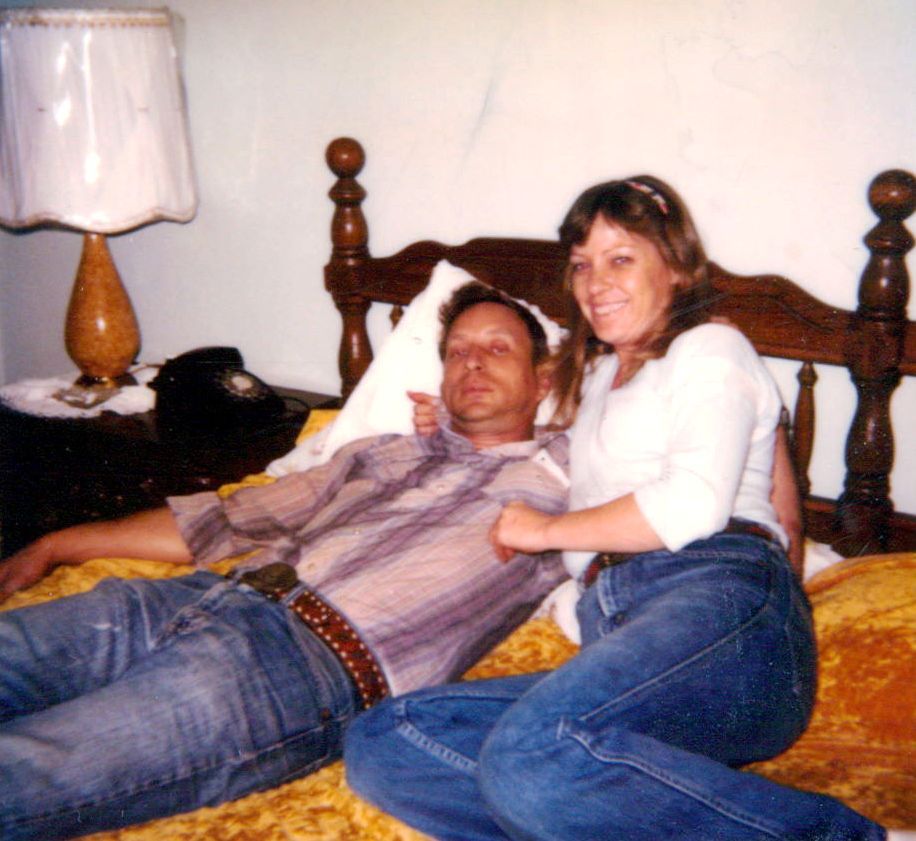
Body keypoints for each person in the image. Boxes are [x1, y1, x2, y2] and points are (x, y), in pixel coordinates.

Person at [343, 177, 887, 839]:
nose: (595, 282)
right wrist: (447, 421)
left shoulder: (709, 348)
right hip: (622, 629)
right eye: (581, 265)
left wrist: (545, 530)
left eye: (620, 258)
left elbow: (692, 504)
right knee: (388, 738)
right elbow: (527, 416)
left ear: (677, 266)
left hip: (719, 600)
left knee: (528, 755)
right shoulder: (598, 379)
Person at [0, 285, 570, 841]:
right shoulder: (378, 451)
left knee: (25, 770)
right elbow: (229, 518)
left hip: (294, 668)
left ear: (543, 379)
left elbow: (627, 453)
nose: (473, 363)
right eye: (457, 352)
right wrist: (57, 545)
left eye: (498, 348)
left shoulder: (566, 479)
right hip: (198, 596)